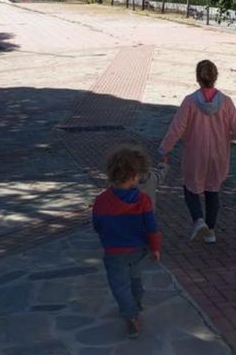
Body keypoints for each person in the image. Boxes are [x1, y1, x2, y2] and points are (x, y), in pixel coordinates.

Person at [159, 60, 236, 244]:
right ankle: (211, 231)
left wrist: (165, 149)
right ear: (215, 77)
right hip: (219, 155)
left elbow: (177, 128)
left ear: (197, 78)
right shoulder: (226, 102)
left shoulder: (190, 102)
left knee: (191, 187)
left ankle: (198, 219)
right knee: (213, 190)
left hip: (194, 155)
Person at [92, 145, 162, 339]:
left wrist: (107, 236)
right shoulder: (143, 200)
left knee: (119, 285)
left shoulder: (101, 201)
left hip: (114, 252)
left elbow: (97, 224)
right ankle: (136, 303)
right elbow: (151, 227)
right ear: (133, 176)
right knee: (135, 280)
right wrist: (155, 248)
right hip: (137, 250)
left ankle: (130, 314)